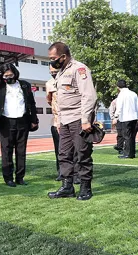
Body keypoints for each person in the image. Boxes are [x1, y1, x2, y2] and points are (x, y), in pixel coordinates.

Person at [47, 42, 97, 200]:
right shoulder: (60, 72)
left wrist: (85, 120)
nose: (51, 61)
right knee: (63, 154)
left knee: (82, 154)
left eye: (53, 58)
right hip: (65, 120)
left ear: (63, 56)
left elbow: (89, 95)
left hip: (78, 118)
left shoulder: (79, 69)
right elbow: (60, 100)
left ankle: (85, 187)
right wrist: (59, 121)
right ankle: (67, 186)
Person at [0, 63, 38, 187]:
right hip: (6, 122)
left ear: (15, 73)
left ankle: (20, 177)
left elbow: (32, 103)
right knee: (6, 151)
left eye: (10, 74)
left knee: (21, 151)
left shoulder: (25, 85)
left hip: (22, 121)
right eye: (5, 75)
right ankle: (8, 178)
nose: (8, 77)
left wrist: (34, 120)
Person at [46, 66, 81, 183]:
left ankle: (76, 174)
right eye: (51, 72)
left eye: (55, 71)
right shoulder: (49, 84)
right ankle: (62, 173)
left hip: (73, 119)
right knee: (61, 151)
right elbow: (50, 101)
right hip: (57, 121)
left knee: (76, 149)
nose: (53, 74)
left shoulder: (71, 79)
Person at [113, 80, 138, 159]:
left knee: (126, 136)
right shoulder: (133, 94)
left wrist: (115, 117)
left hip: (126, 118)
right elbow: (137, 106)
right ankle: (132, 153)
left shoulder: (121, 95)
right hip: (134, 117)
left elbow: (119, 107)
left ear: (118, 87)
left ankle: (127, 154)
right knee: (132, 136)